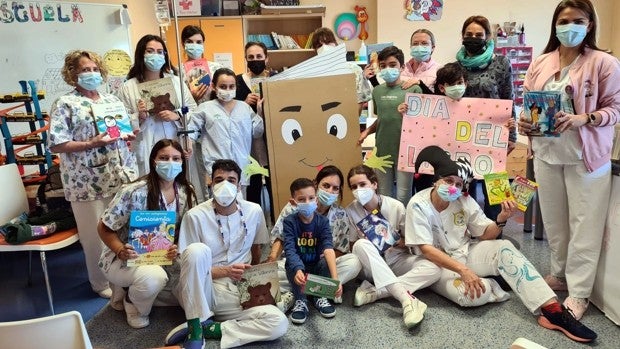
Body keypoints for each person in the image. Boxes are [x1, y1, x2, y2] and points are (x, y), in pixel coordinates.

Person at [406, 145, 598, 343]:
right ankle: (494, 282)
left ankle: (554, 311)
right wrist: (464, 271)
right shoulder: (418, 204)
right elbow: (426, 250)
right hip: (437, 265)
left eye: (459, 183)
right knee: (471, 296)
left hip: (464, 252)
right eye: (448, 181)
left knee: (505, 247)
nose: (454, 187)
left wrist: (501, 218)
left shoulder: (463, 201)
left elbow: (485, 235)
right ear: (436, 180)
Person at [517, 0, 620, 321]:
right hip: (547, 155)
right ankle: (559, 275)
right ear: (555, 24)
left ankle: (579, 293)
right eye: (564, 20)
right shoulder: (542, 62)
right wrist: (524, 122)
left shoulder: (604, 64)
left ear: (589, 24)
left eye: (578, 20)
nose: (570, 26)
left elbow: (615, 109)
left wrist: (583, 118)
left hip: (586, 159)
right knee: (556, 223)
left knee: (584, 225)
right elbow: (527, 105)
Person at [164, 159, 288, 349]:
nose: (225, 184)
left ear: (239, 185)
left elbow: (256, 248)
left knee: (278, 323)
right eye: (219, 179)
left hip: (239, 287)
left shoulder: (253, 210)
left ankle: (209, 327)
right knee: (198, 250)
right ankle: (196, 326)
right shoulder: (195, 216)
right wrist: (225, 271)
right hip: (205, 289)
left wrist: (254, 273)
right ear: (211, 184)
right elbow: (188, 269)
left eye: (231, 180)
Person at [48, 50, 138, 299]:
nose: (91, 74)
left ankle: (125, 277)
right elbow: (57, 144)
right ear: (72, 74)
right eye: (85, 69)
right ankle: (101, 283)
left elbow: (122, 132)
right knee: (94, 235)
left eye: (95, 69)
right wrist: (90, 143)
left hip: (119, 175)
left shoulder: (111, 100)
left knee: (122, 229)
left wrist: (127, 135)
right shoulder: (66, 104)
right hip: (85, 180)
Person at [97, 139, 208, 338]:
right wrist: (120, 250)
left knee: (195, 278)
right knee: (154, 278)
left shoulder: (185, 191)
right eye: (164, 158)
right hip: (126, 258)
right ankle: (133, 304)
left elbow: (185, 230)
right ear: (153, 161)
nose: (170, 163)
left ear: (182, 162)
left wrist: (175, 246)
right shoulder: (133, 191)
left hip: (165, 255)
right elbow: (104, 227)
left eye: (176, 158)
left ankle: (144, 292)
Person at [345, 164, 440, 329]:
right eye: (354, 187)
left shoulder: (396, 206)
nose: (358, 190)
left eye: (362, 184)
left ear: (374, 184)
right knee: (361, 244)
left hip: (396, 258)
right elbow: (353, 245)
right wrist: (368, 241)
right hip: (370, 266)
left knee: (434, 269)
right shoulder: (351, 210)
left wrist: (396, 240)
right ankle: (407, 300)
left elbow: (411, 240)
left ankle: (376, 292)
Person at [268, 166, 362, 305]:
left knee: (354, 262)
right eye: (326, 185)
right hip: (295, 263)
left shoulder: (340, 214)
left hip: (321, 264)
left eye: (335, 188)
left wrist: (322, 260)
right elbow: (280, 237)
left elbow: (340, 249)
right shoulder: (294, 207)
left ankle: (298, 292)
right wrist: (272, 258)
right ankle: (320, 290)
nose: (330, 191)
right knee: (272, 274)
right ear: (316, 184)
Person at [456, 15, 517, 222]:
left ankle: (497, 230)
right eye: (469, 35)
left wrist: (513, 135)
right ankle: (468, 230)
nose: (473, 38)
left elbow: (509, 98)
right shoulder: (456, 67)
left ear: (488, 37)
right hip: (463, 135)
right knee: (466, 186)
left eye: (478, 35)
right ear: (462, 37)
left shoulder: (501, 63)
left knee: (495, 187)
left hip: (493, 135)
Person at [116, 34, 197, 176]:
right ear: (141, 54)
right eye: (150, 51)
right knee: (149, 188)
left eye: (160, 52)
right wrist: (138, 117)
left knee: (177, 186)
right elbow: (119, 124)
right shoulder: (128, 87)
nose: (156, 55)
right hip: (145, 145)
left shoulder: (176, 82)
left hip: (175, 142)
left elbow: (193, 111)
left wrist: (177, 115)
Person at [358, 46, 422, 206]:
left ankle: (403, 229)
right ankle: (386, 227)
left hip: (404, 151)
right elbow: (383, 118)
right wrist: (367, 131)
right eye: (383, 66)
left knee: (403, 195)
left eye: (392, 65)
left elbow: (422, 124)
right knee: (384, 194)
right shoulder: (377, 91)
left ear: (402, 67)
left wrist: (407, 114)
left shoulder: (413, 89)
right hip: (382, 151)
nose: (388, 69)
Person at [188, 68, 264, 194]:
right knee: (216, 208)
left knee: (239, 209)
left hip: (241, 169)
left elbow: (257, 132)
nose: (227, 90)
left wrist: (260, 112)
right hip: (216, 170)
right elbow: (191, 131)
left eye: (231, 86)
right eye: (223, 86)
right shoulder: (205, 109)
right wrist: (188, 144)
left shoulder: (244, 108)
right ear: (213, 86)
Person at [282, 177, 343, 324]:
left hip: (316, 266)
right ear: (293, 202)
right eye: (302, 199)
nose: (307, 202)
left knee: (329, 262)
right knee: (289, 263)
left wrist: (335, 280)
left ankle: (319, 296)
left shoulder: (322, 222)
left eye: (311, 198)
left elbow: (328, 248)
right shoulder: (289, 221)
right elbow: (289, 249)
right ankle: (300, 299)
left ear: (316, 200)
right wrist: (298, 270)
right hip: (299, 267)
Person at [234, 41, 274, 220]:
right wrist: (243, 102)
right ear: (245, 59)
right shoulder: (235, 82)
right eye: (251, 57)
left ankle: (277, 223)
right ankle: (254, 226)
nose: (255, 60)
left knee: (275, 183)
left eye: (259, 56)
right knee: (253, 184)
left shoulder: (276, 79)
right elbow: (228, 110)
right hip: (248, 142)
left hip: (272, 139)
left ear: (266, 58)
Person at [310, 27, 373, 115]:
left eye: (328, 42)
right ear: (315, 50)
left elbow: (359, 101)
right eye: (319, 46)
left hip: (348, 118)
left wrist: (351, 122)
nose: (324, 47)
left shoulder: (354, 70)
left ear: (335, 44)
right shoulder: (312, 73)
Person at [181, 25, 224, 105]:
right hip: (191, 115)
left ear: (203, 44)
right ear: (183, 44)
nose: (194, 45)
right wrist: (191, 98)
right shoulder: (177, 71)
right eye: (189, 42)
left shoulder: (216, 68)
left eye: (198, 42)